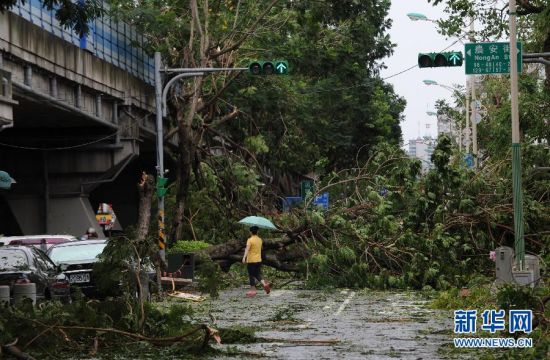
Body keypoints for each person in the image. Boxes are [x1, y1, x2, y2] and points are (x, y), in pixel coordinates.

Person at [242, 226, 270, 297]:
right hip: (258, 260)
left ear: (250, 232)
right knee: (257, 274)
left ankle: (253, 291)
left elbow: (247, 249)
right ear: (257, 232)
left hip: (251, 260)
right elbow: (261, 249)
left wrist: (244, 257)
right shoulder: (260, 240)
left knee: (251, 275)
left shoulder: (250, 240)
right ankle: (264, 284)